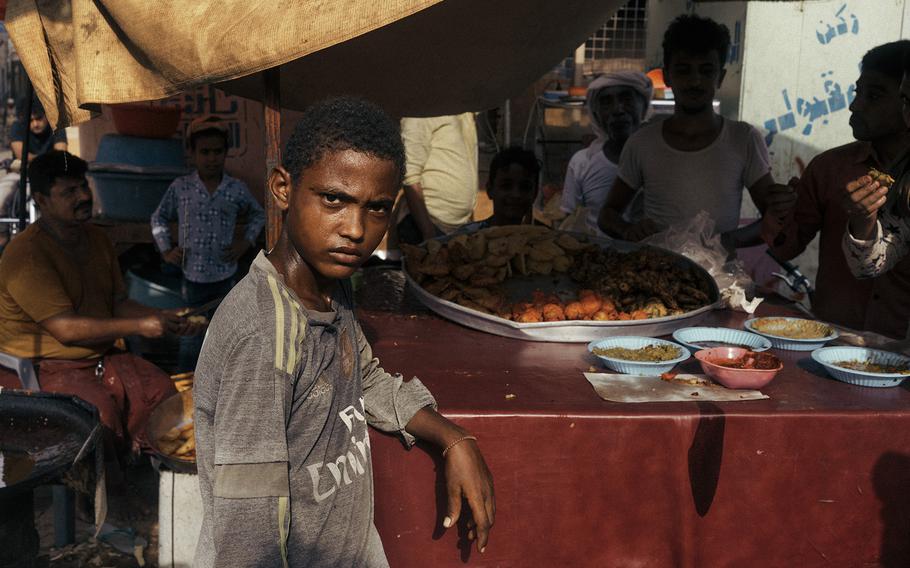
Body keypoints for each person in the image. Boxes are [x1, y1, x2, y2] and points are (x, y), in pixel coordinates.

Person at [193, 97, 495, 567]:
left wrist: (451, 437)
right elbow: (249, 532)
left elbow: (361, 379)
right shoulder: (262, 335)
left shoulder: (333, 288)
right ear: (282, 188)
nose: (355, 229)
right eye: (333, 199)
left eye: (376, 209)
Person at [0, 151, 201, 455]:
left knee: (162, 392)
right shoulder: (26, 255)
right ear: (41, 201)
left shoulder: (97, 239)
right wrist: (140, 326)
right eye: (69, 191)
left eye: (84, 186)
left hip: (99, 355)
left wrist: (161, 316)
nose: (83, 196)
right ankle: (99, 498)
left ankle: (142, 473)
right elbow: (65, 329)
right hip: (43, 365)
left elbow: (117, 302)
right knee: (97, 418)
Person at [597, 15, 794, 251]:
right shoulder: (642, 142)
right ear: (667, 76)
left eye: (706, 70)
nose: (695, 81)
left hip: (718, 281)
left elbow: (772, 220)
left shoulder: (744, 139)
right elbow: (607, 215)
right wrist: (628, 230)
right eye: (683, 70)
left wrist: (724, 242)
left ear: (719, 77)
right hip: (655, 275)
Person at [762, 41, 910, 338]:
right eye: (858, 92)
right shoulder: (830, 168)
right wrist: (779, 213)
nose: (856, 105)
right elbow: (786, 247)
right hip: (834, 336)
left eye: (875, 95)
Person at [150, 116, 265, 368]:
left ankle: (225, 384)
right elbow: (158, 217)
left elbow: (259, 214)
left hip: (226, 277)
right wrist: (166, 249)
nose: (211, 158)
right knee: (191, 338)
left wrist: (245, 243)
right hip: (193, 279)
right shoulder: (181, 187)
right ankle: (188, 385)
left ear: (225, 153)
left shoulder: (236, 189)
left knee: (228, 335)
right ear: (192, 153)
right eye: (205, 152)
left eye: (217, 151)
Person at [560, 71, 652, 236]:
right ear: (596, 114)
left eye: (626, 99)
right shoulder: (581, 163)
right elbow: (570, 223)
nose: (617, 110)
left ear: (643, 107)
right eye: (606, 102)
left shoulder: (661, 160)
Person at [395, 112, 478, 244]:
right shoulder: (421, 113)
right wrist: (429, 234)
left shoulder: (464, 113)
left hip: (460, 228)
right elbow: (409, 177)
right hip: (428, 225)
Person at [0, 97, 68, 248]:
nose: (35, 124)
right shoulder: (18, 126)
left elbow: (61, 153)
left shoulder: (56, 126)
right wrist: (48, 159)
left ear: (46, 115)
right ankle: (2, 238)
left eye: (39, 119)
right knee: (1, 197)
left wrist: (38, 161)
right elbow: (20, 155)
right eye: (31, 120)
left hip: (48, 176)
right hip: (19, 174)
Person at [462, 146, 540, 231]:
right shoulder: (467, 239)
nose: (516, 195)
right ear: (490, 190)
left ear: (535, 193)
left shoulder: (545, 241)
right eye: (506, 186)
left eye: (525, 187)